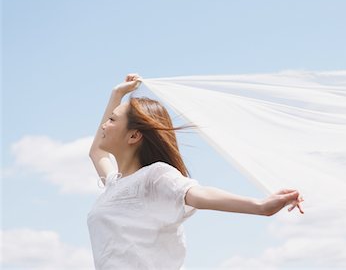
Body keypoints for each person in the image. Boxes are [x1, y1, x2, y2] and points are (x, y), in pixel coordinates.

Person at [87, 73, 304, 270]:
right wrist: (116, 95)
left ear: (134, 136)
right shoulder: (115, 185)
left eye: (112, 120)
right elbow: (96, 152)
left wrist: (260, 206)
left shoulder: (154, 176)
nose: (104, 126)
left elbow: (198, 195)